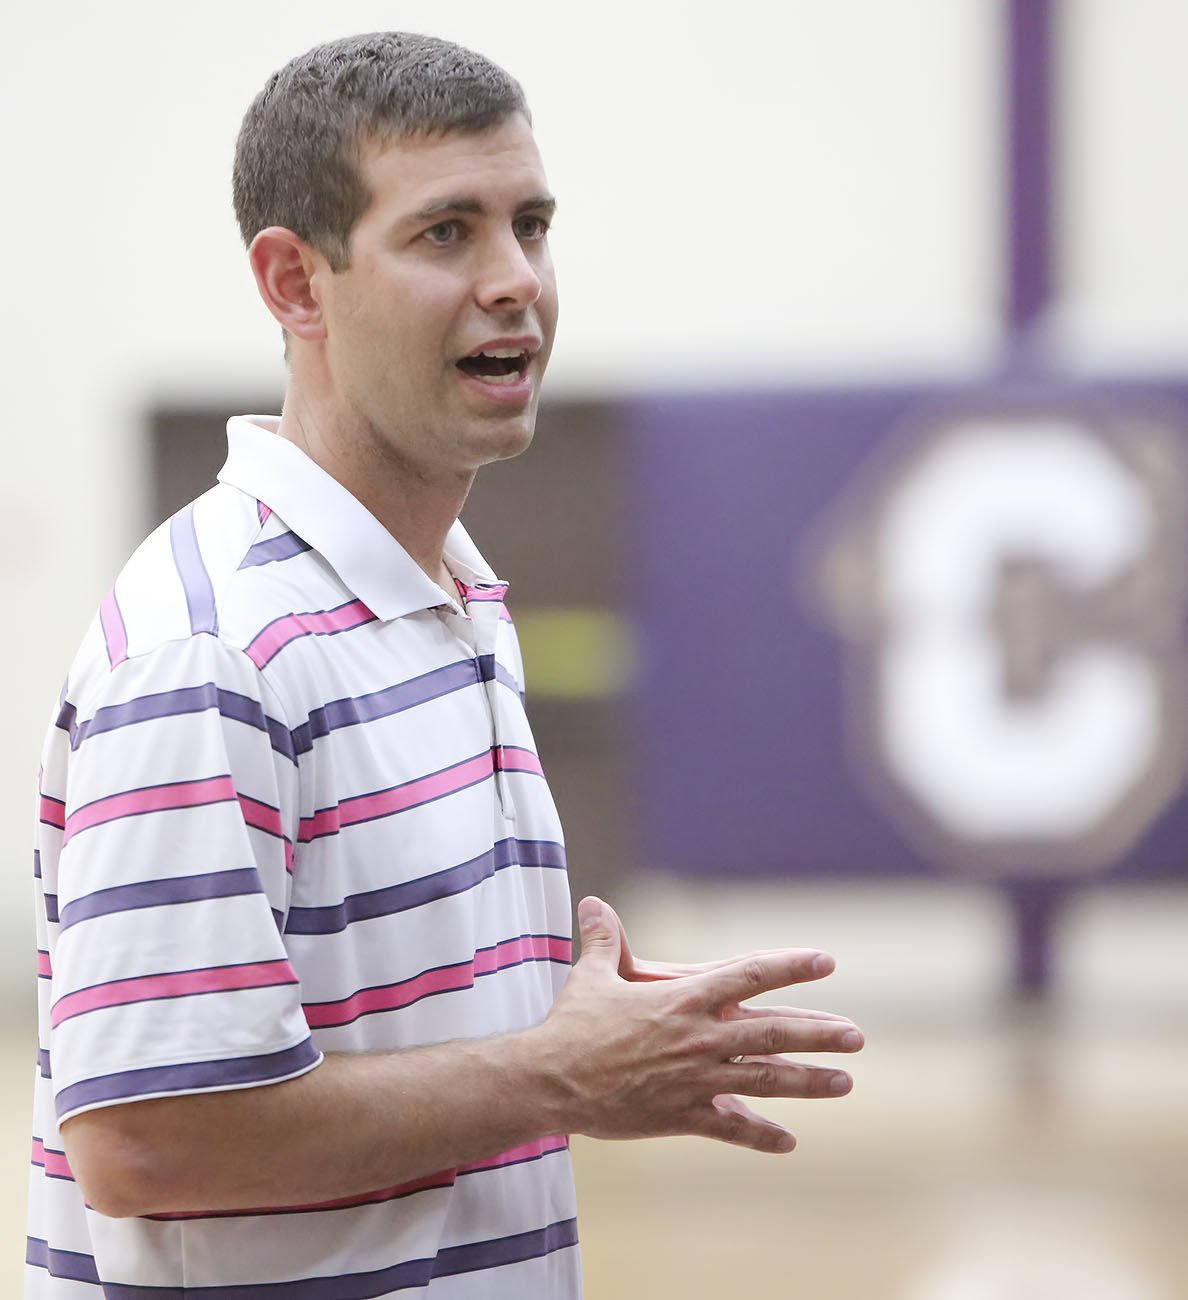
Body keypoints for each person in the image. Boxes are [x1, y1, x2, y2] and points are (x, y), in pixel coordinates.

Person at [27, 31, 864, 1299]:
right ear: (296, 284)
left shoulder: (450, 597)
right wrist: (557, 1072)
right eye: (445, 234)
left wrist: (581, 1029)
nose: (515, 278)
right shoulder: (212, 649)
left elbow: (381, 1047)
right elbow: (149, 1138)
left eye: (531, 224)